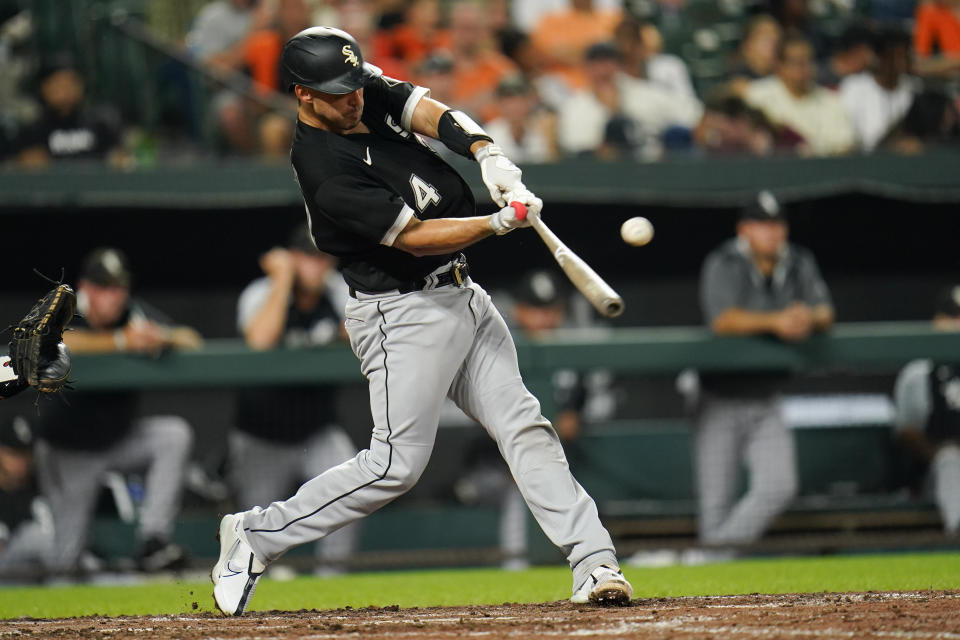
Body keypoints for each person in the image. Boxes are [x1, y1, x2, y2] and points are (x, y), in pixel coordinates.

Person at [210, 26, 633, 616]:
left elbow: (424, 110)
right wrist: (498, 222)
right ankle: (256, 535)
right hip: (400, 311)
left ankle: (594, 562)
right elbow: (414, 239)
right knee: (394, 465)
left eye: (355, 84)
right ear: (303, 94)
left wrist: (487, 151)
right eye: (337, 92)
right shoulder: (324, 169)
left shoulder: (360, 91)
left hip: (462, 294)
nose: (353, 97)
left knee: (524, 426)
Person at [34, 247, 201, 575]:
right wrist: (122, 342)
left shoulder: (133, 314)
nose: (114, 296)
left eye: (118, 288)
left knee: (172, 435)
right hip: (70, 450)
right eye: (105, 288)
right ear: (87, 288)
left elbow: (192, 340)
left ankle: (153, 541)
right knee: (65, 560)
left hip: (118, 439)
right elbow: (50, 342)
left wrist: (161, 337)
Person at [693, 190, 833, 555]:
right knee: (715, 505)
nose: (772, 232)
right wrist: (777, 321)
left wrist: (807, 316)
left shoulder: (799, 261)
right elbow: (722, 320)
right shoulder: (725, 261)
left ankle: (708, 558)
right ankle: (711, 563)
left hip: (767, 395)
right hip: (719, 396)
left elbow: (825, 311)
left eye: (777, 224)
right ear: (745, 229)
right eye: (762, 224)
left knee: (779, 486)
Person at [230, 225, 359, 575]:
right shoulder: (262, 292)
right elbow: (260, 339)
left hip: (316, 427)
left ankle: (332, 582)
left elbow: (366, 329)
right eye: (306, 257)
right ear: (291, 257)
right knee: (254, 530)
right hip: (262, 432)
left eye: (321, 258)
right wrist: (283, 279)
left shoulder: (336, 293)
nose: (315, 266)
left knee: (352, 491)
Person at [556, 42, 702, 159]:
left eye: (608, 62)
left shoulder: (646, 93)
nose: (602, 71)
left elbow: (694, 115)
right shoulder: (575, 106)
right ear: (586, 69)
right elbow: (577, 149)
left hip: (654, 169)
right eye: (596, 64)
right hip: (600, 177)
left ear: (620, 66)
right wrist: (612, 111)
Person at [892, 285, 960, 536]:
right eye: (954, 317)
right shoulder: (918, 372)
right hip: (933, 471)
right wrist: (940, 448)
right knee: (951, 459)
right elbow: (905, 433)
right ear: (938, 321)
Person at [744, 33, 855, 156]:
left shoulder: (830, 100)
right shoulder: (758, 96)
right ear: (779, 66)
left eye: (808, 61)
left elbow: (845, 145)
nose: (803, 69)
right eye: (796, 63)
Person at [14, 55, 127, 168]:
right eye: (57, 83)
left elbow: (120, 160)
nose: (64, 89)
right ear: (44, 88)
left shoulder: (101, 125)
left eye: (70, 82)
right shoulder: (31, 133)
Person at [840, 28, 919, 153]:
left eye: (905, 57)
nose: (900, 64)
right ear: (880, 57)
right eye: (895, 57)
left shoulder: (914, 87)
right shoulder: (855, 87)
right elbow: (860, 139)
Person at [0, 415, 53, 581]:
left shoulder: (41, 484)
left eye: (26, 453)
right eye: (15, 453)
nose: (23, 461)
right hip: (5, 571)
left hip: (39, 570)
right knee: (37, 535)